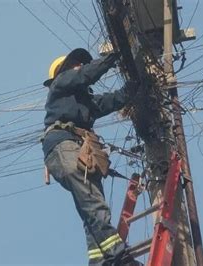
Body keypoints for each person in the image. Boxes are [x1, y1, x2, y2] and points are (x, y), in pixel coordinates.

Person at [41, 48, 137, 265]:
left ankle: (100, 261)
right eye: (75, 64)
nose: (80, 67)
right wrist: (115, 56)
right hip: (65, 145)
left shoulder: (84, 102)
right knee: (93, 205)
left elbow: (113, 100)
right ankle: (120, 257)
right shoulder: (61, 84)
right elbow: (85, 74)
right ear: (62, 72)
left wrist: (135, 85)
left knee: (91, 210)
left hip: (80, 150)